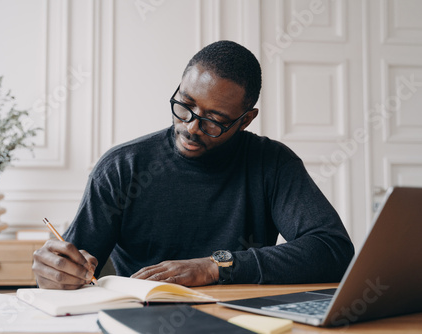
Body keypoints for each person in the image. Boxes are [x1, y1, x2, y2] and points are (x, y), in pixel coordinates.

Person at [32, 40, 354, 290]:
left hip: (241, 320)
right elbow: (72, 267)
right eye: (184, 106)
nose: (191, 127)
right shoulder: (122, 167)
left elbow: (333, 250)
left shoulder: (272, 164)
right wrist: (56, 273)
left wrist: (215, 267)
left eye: (214, 121)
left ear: (245, 121)